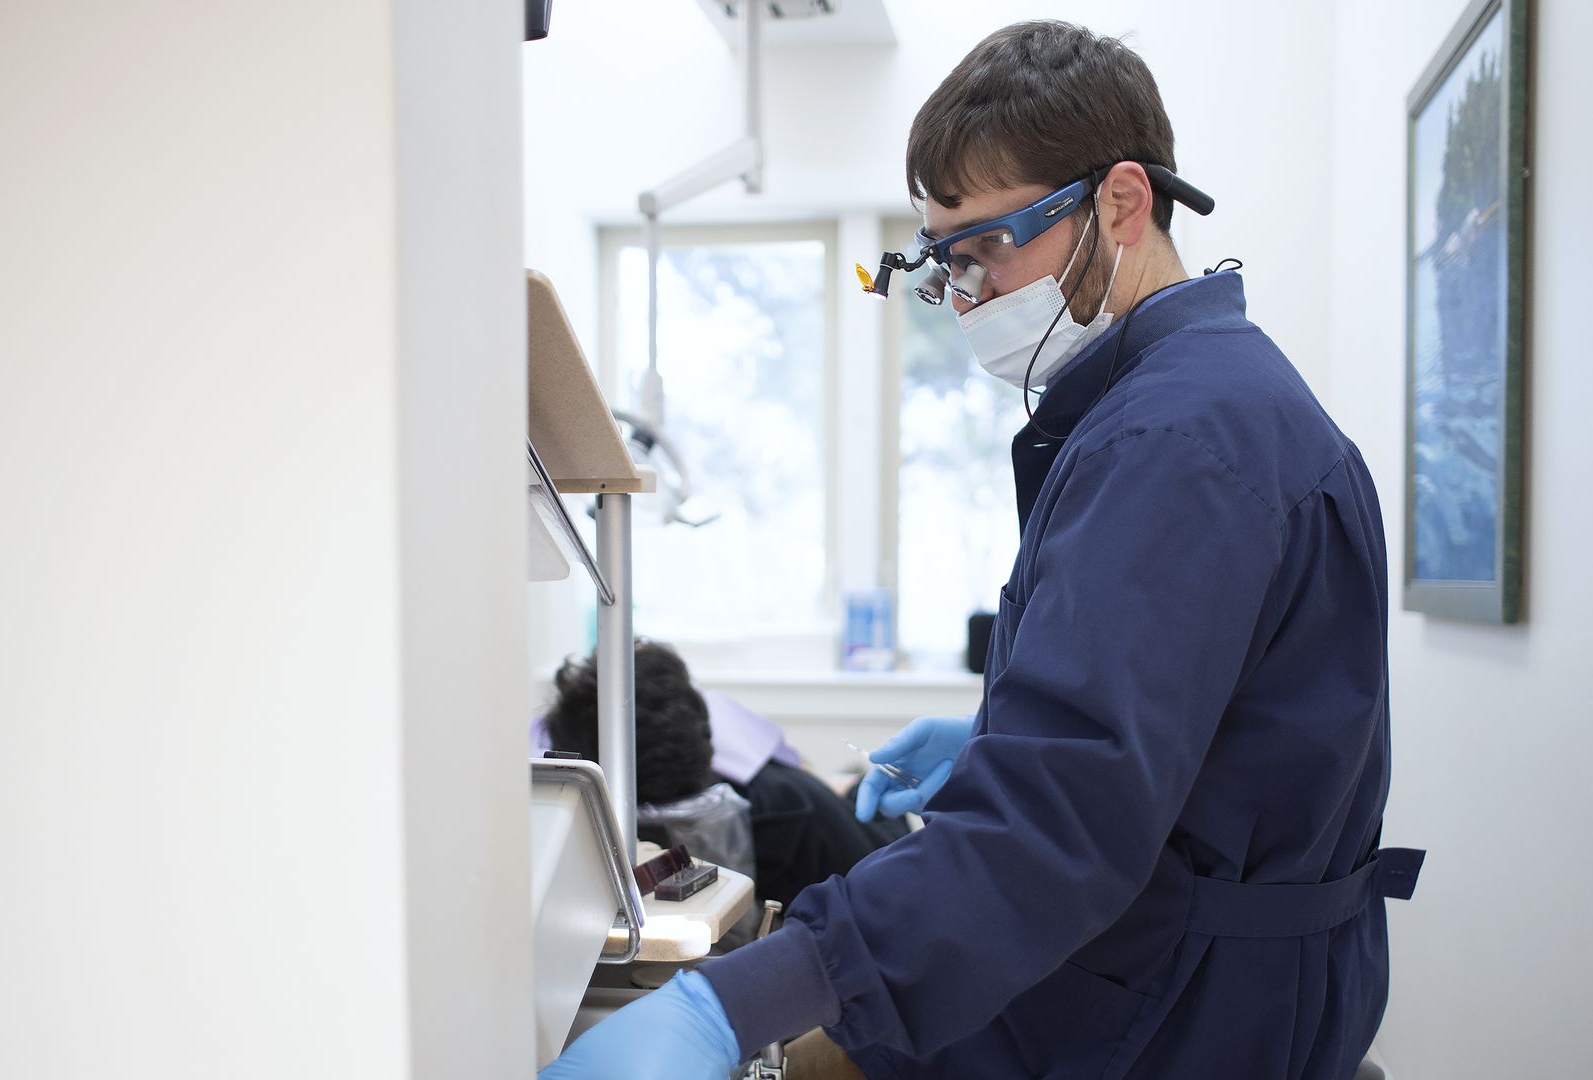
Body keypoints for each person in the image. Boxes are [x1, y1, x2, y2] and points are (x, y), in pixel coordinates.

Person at [542, 20, 1421, 1080]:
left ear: (1123, 202)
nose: (967, 297)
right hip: (1210, 968)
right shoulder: (1209, 398)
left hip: (1176, 1005)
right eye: (944, 263)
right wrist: (1004, 734)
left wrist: (729, 1008)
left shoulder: (1176, 441)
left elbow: (1054, 827)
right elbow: (1201, 722)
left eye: (987, 250)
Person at [543, 641, 904, 910]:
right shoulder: (779, 800)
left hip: (866, 866)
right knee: (852, 786)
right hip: (864, 849)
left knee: (851, 786)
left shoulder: (649, 832)